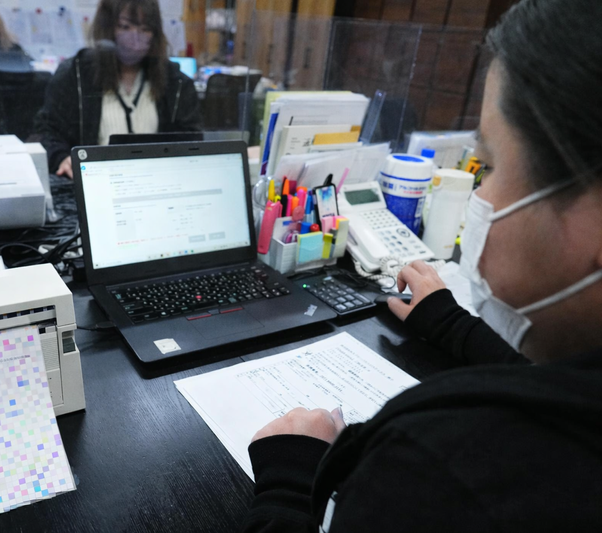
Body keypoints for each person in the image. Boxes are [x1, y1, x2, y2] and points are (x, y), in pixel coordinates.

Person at [241, 0, 602, 531]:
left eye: (491, 166)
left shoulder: (437, 474)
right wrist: (452, 325)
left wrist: (289, 487)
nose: (480, 194)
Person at [33, 0, 202, 178]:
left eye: (145, 29)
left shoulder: (175, 81)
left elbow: (192, 139)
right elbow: (47, 130)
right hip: (93, 181)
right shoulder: (75, 74)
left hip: (156, 182)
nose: (135, 39)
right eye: (125, 27)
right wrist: (61, 158)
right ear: (107, 28)